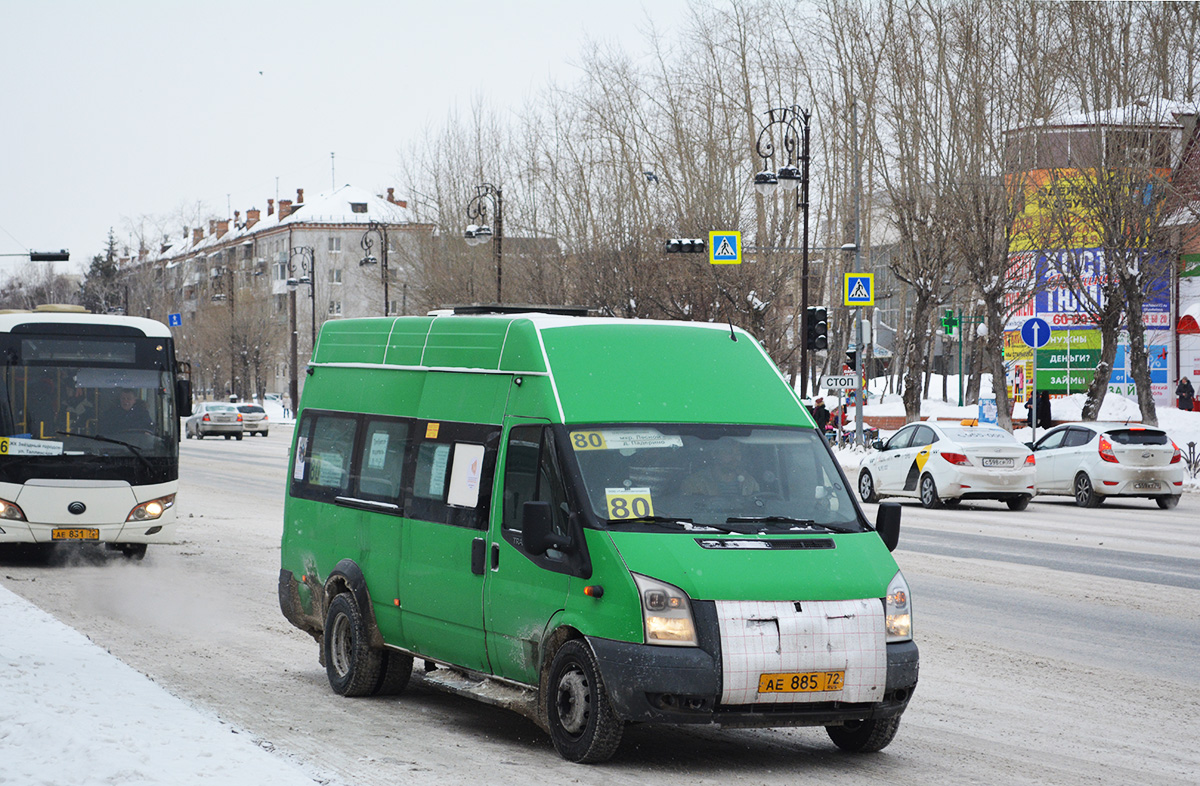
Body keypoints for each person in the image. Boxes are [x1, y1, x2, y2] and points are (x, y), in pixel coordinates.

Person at [682, 440, 760, 497]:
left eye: (738, 453)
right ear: (714, 454)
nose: (735, 458)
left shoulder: (749, 482)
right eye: (729, 452)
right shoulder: (694, 483)